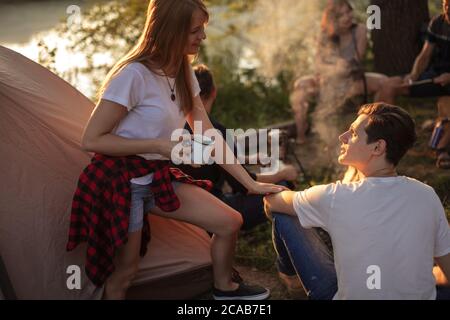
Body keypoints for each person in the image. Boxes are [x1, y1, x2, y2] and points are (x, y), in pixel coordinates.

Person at [66, 0, 285, 300]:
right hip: (122, 182)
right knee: (125, 273)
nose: (202, 37)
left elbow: (207, 133)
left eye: (203, 29)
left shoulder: (183, 69)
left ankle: (225, 288)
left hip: (156, 176)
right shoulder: (133, 75)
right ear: (172, 30)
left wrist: (249, 183)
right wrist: (156, 145)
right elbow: (92, 139)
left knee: (229, 221)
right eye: (195, 30)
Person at [264, 103, 450, 299]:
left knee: (284, 215)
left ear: (378, 147)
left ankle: (292, 282)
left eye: (352, 133)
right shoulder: (427, 195)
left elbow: (271, 203)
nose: (342, 137)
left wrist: (284, 189)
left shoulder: (335, 196)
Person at [175, 64, 299, 231]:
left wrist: (247, 159)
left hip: (177, 210)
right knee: (282, 185)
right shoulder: (215, 131)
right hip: (208, 214)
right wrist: (283, 173)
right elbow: (243, 186)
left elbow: (207, 158)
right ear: (214, 92)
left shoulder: (171, 124)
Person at [291, 0, 392, 144]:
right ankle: (301, 134)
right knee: (300, 85)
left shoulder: (360, 30)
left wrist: (341, 68)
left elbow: (357, 60)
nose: (347, 17)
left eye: (348, 12)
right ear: (332, 19)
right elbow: (318, 64)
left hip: (353, 79)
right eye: (341, 15)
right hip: (326, 80)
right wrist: (333, 70)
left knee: (384, 81)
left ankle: (377, 127)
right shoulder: (324, 34)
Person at [381, 0, 450, 169]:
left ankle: (441, 149)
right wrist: (412, 76)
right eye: (446, 4)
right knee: (389, 86)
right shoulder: (437, 23)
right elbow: (425, 55)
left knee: (447, 108)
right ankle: (387, 138)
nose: (448, 8)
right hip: (435, 76)